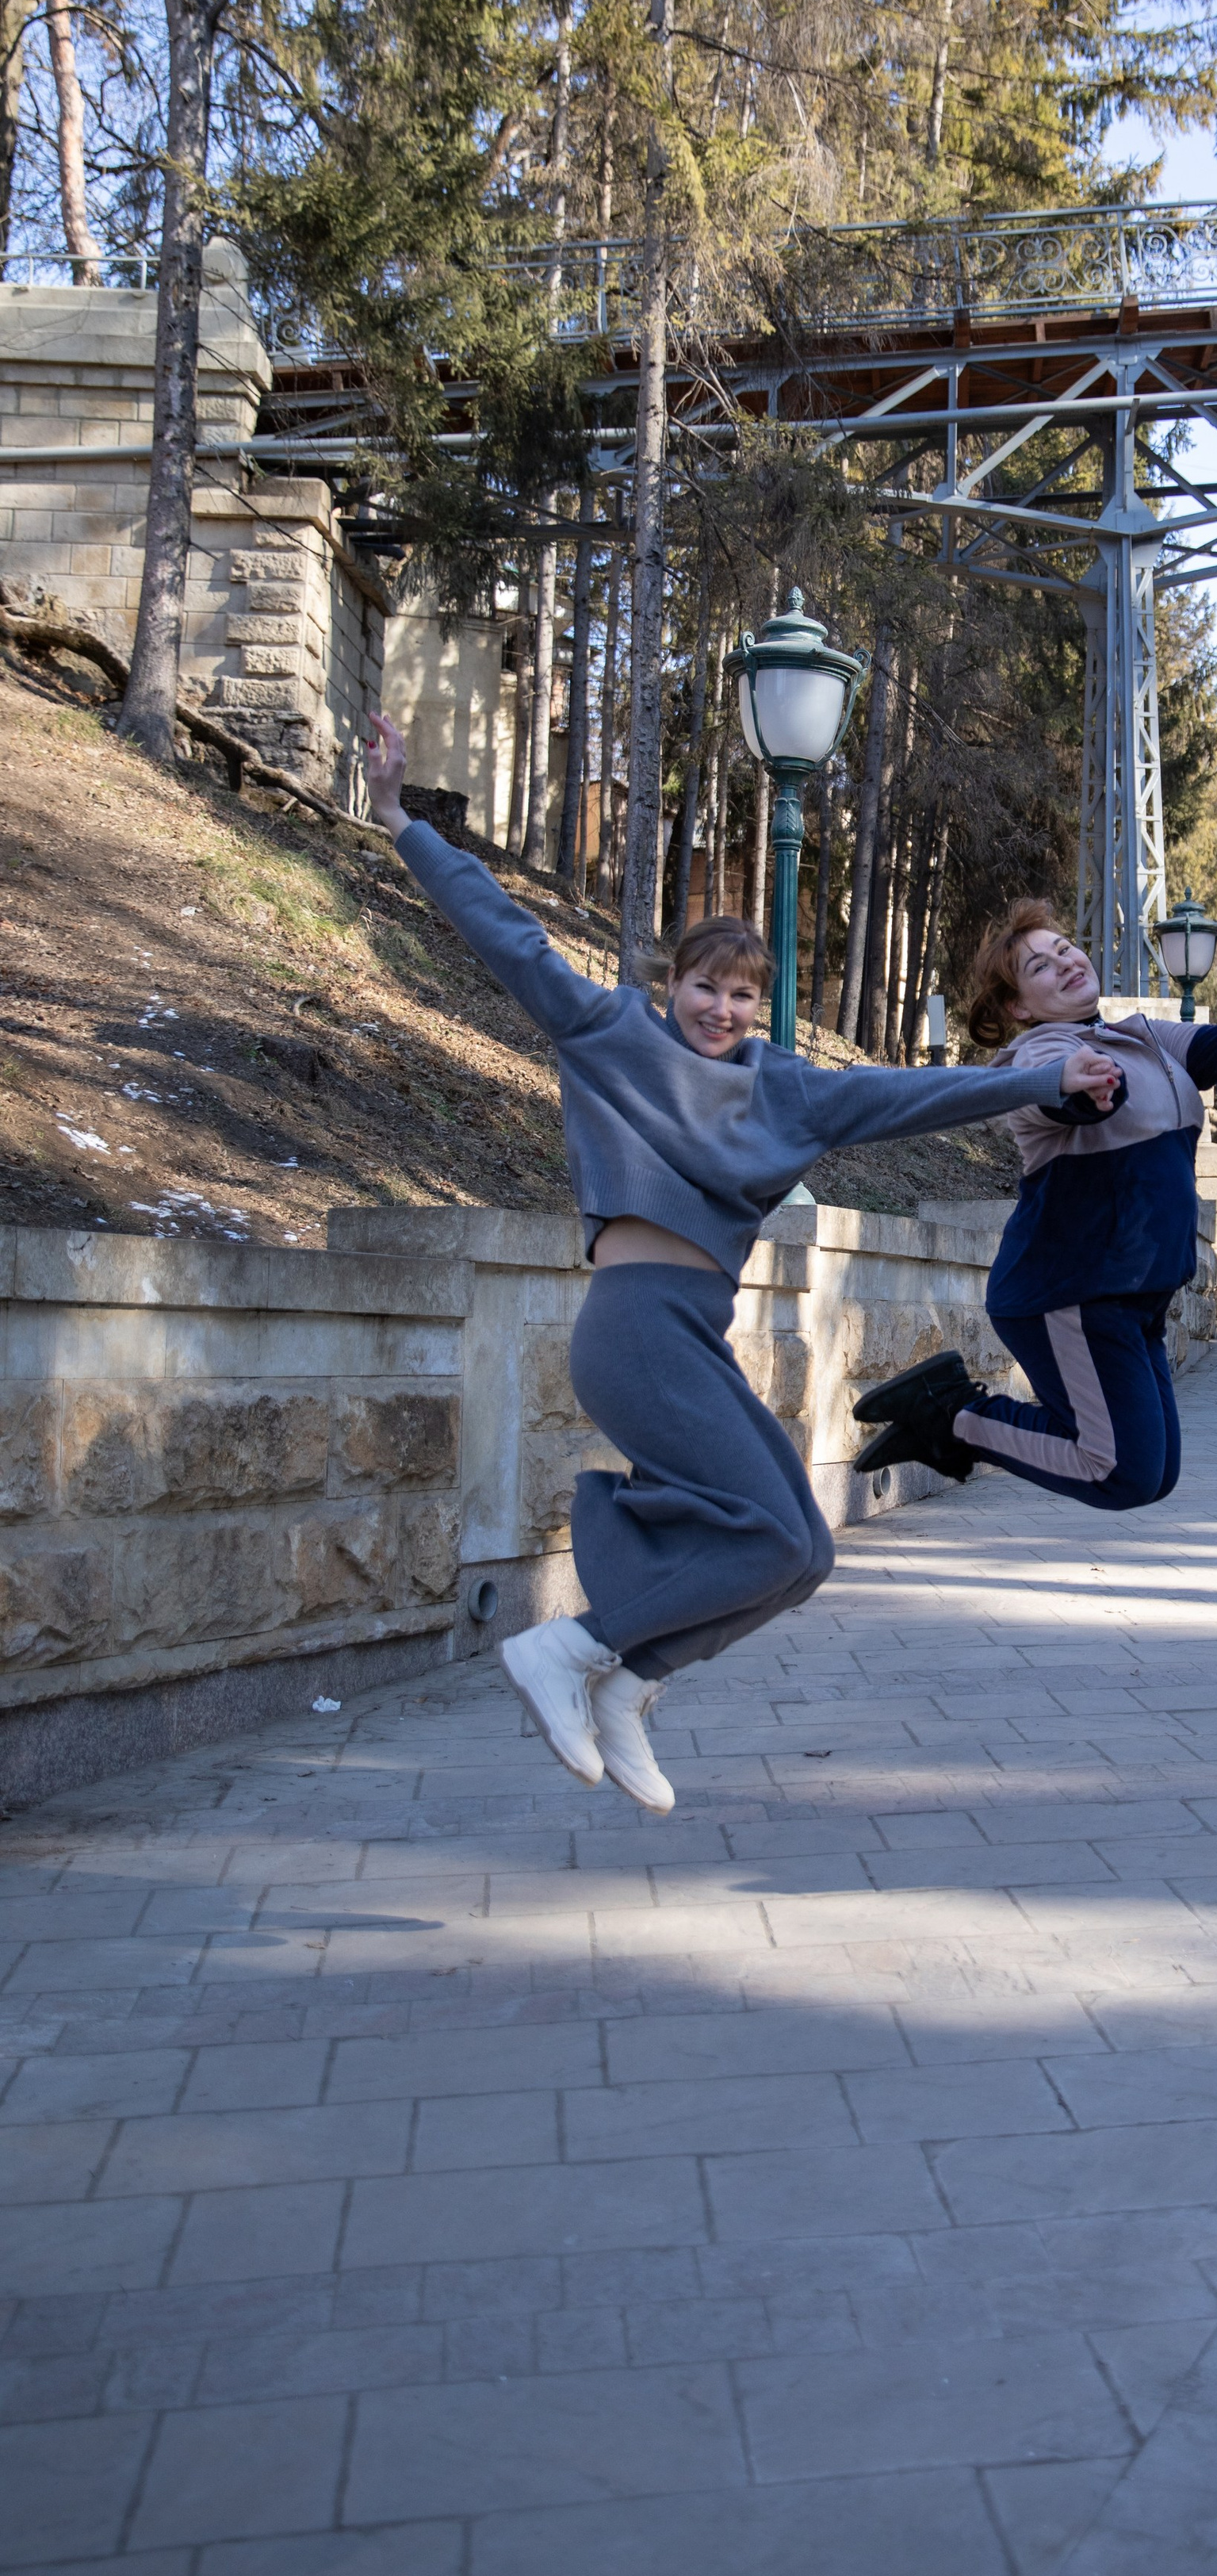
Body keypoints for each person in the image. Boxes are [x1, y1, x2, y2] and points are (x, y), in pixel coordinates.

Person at [360, 715, 1121, 1813]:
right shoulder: (609, 1033)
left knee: (803, 1552)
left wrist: (1043, 1082)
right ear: (672, 983)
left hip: (692, 1336)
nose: (722, 1011)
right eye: (705, 987)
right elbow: (506, 934)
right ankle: (567, 1651)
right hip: (630, 1326)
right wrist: (399, 822)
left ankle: (631, 1682)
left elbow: (921, 1094)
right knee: (766, 1530)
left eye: (743, 996)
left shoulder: (789, 1091)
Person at [849, 901, 1217, 1509]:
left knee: (1154, 1475)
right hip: (1071, 1292)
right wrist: (1081, 1086)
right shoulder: (1033, 1056)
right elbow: (1060, 1093)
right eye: (1040, 966)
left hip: (1137, 1294)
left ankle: (955, 1416)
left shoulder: (1144, 1037)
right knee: (1119, 1472)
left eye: (1063, 949)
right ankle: (952, 1416)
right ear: (1018, 1006)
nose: (1065, 962)